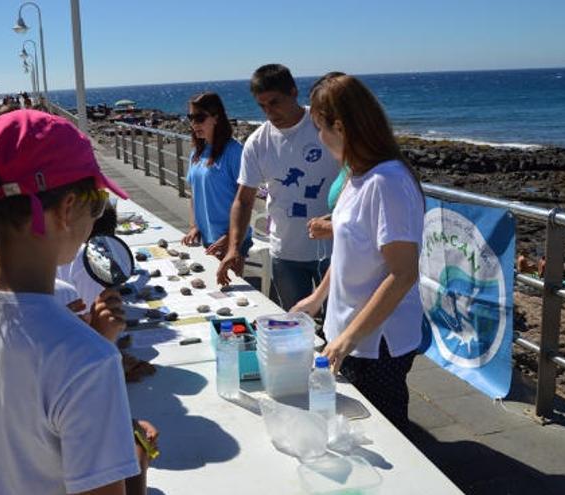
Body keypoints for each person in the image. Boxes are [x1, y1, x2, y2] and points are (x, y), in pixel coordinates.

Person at [0, 110, 145, 494]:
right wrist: (132, 456)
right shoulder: (89, 358)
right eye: (97, 202)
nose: (95, 216)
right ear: (68, 208)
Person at [306, 73, 425, 432]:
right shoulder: (356, 176)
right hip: (349, 337)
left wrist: (347, 340)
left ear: (340, 127)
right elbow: (346, 249)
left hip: (377, 345)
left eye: (319, 127)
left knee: (387, 437)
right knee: (349, 434)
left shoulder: (387, 182)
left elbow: (403, 273)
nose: (319, 137)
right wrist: (317, 297)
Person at [216, 64, 340, 309]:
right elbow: (243, 199)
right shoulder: (257, 142)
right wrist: (234, 247)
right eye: (262, 106)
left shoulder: (323, 125)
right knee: (294, 321)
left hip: (335, 250)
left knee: (336, 328)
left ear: (293, 92)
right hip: (286, 253)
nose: (270, 112)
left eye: (275, 102)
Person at [182, 92, 253, 262]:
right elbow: (194, 194)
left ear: (216, 118)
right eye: (190, 118)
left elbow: (245, 200)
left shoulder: (234, 152)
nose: (194, 124)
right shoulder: (197, 154)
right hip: (206, 239)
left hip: (231, 240)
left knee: (228, 288)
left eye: (199, 118)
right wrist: (194, 226)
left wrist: (230, 238)